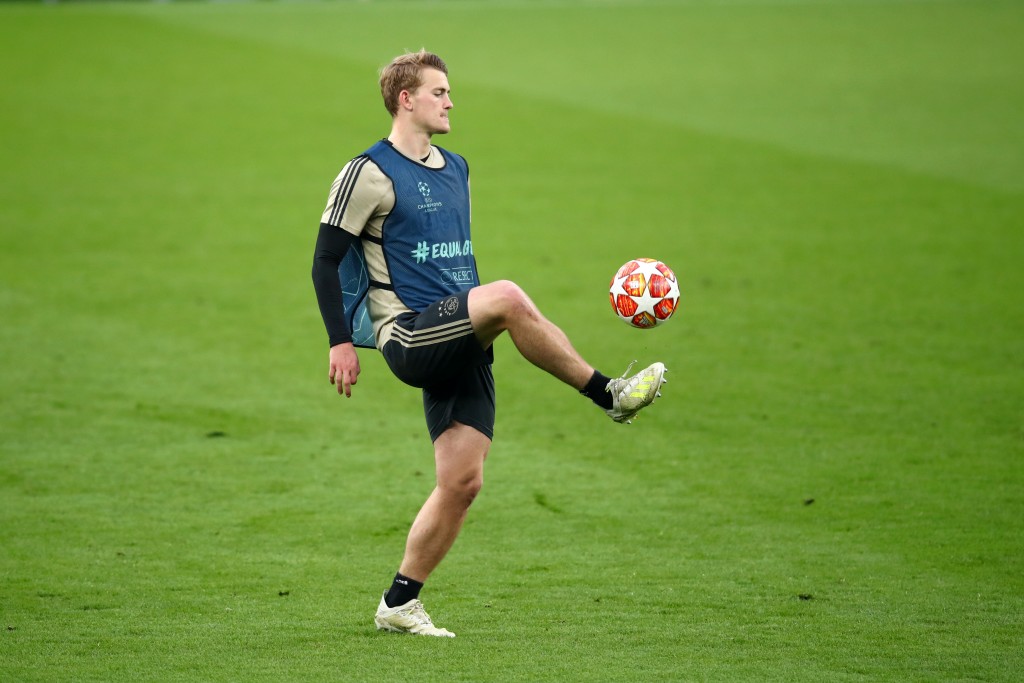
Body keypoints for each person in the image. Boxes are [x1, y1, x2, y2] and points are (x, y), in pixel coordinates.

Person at [311, 50, 667, 638]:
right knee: (506, 298)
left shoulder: (458, 168)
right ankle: (610, 394)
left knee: (462, 483)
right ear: (406, 99)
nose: (450, 102)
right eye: (439, 92)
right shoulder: (368, 172)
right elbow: (325, 260)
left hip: (459, 334)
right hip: (410, 333)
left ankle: (399, 603)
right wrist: (340, 341)